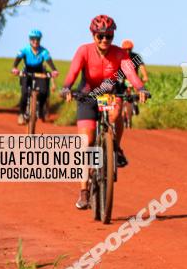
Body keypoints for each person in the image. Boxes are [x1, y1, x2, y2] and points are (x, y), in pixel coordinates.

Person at [59, 15, 147, 210]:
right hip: (87, 95)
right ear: (93, 35)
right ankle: (83, 191)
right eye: (101, 36)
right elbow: (73, 72)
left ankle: (114, 147)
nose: (105, 40)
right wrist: (66, 88)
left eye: (109, 36)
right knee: (86, 143)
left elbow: (130, 73)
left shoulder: (120, 53)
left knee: (117, 115)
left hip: (110, 93)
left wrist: (140, 89)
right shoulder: (84, 51)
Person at [11, 30, 59, 124]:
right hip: (27, 72)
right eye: (33, 39)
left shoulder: (44, 51)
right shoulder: (24, 50)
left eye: (37, 39)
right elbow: (17, 59)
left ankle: (40, 109)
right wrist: (14, 68)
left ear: (40, 40)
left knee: (44, 92)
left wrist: (54, 70)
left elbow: (49, 61)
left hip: (39, 72)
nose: (35, 41)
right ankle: (21, 114)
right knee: (24, 93)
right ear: (30, 40)